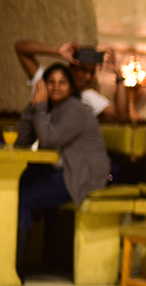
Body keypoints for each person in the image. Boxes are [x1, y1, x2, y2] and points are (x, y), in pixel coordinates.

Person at [13, 63, 110, 270]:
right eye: (51, 82)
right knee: (12, 189)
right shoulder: (49, 108)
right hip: (61, 173)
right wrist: (33, 107)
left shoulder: (76, 109)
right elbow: (20, 142)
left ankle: (16, 267)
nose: (56, 87)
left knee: (22, 199)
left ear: (71, 87)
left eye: (62, 82)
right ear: (43, 85)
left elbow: (48, 140)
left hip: (81, 177)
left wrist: (39, 107)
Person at [15, 39, 128, 121]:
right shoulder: (49, 84)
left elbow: (121, 116)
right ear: (72, 67)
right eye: (83, 70)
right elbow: (21, 48)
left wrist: (118, 74)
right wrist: (57, 51)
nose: (88, 77)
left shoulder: (88, 97)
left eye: (92, 72)